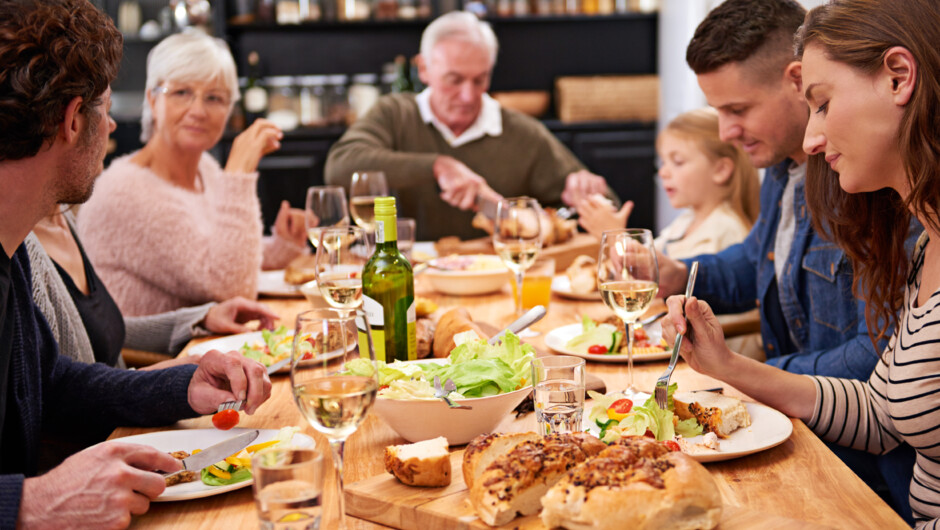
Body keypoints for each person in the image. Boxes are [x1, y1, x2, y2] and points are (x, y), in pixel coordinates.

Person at [663, 1, 940, 526]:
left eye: (822, 103)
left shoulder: (889, 213)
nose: (814, 140)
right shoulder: (928, 246)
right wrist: (728, 367)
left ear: (899, 78)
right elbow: (881, 410)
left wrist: (749, 376)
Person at [0, 1, 271, 527]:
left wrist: (180, 385)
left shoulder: (13, 251)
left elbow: (55, 385)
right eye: (106, 110)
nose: (113, 131)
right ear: (76, 120)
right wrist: (29, 504)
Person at [324, 11, 614, 240]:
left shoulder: (522, 133)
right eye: (455, 79)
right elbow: (338, 168)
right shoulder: (394, 114)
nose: (468, 95)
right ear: (423, 68)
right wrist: (438, 166)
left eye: (480, 79)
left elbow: (607, 209)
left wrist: (586, 195)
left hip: (497, 284)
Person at [77, 30, 308, 317]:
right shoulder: (126, 190)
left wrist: (284, 244)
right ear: (152, 101)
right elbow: (232, 287)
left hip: (203, 348)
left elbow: (218, 254)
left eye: (214, 98)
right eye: (182, 92)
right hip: (154, 359)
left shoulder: (204, 170)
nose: (198, 110)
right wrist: (238, 174)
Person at [28, 206, 280, 368]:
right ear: (71, 125)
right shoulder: (25, 248)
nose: (113, 127)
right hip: (112, 436)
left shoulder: (63, 217)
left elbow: (102, 333)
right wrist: (169, 379)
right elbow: (68, 400)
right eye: (105, 118)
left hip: (125, 421)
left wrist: (202, 318)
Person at [577, 107, 760, 258]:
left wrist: (615, 237)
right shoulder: (686, 222)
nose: (663, 172)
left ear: (721, 170)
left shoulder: (726, 231)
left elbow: (649, 280)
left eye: (678, 162)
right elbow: (649, 262)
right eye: (663, 162)